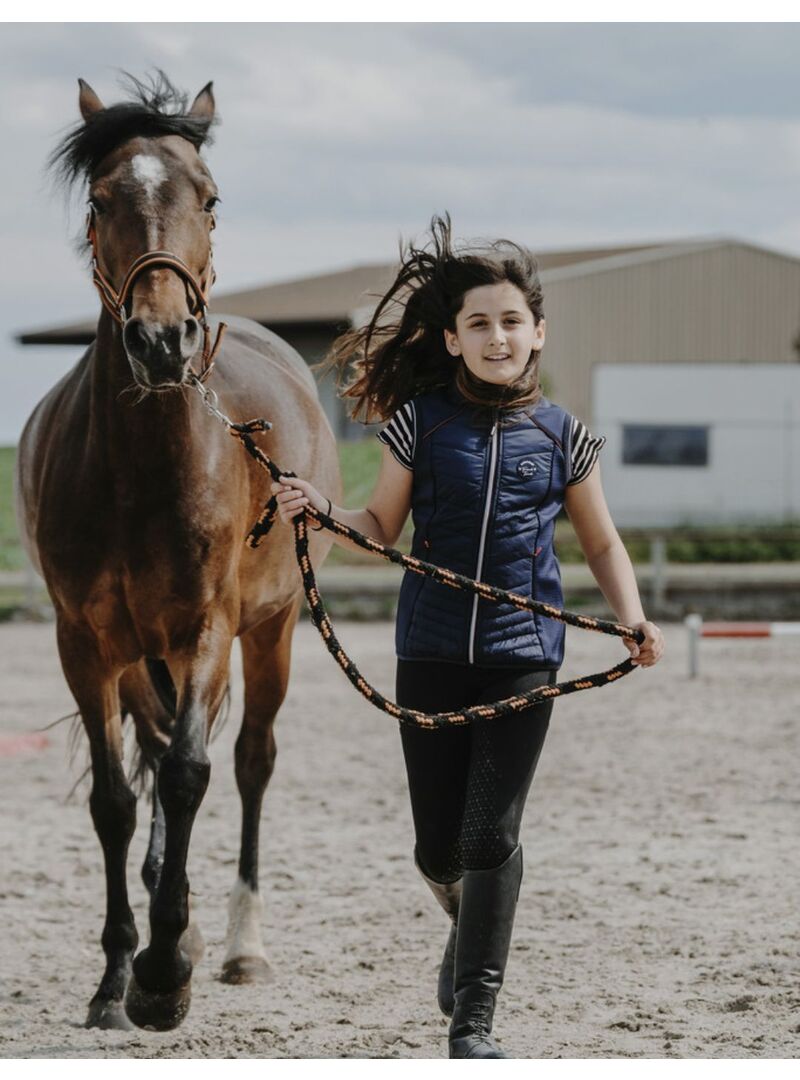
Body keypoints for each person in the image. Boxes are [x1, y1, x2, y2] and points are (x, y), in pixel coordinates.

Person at [270, 214, 665, 1058]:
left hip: (526, 655)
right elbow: (380, 524)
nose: (497, 336)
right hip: (432, 653)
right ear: (452, 339)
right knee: (438, 845)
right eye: (479, 323)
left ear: (537, 334)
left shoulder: (565, 437)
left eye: (511, 321)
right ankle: (465, 928)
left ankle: (473, 1018)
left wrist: (630, 614)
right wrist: (319, 510)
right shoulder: (421, 423)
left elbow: (599, 540)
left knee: (492, 835)